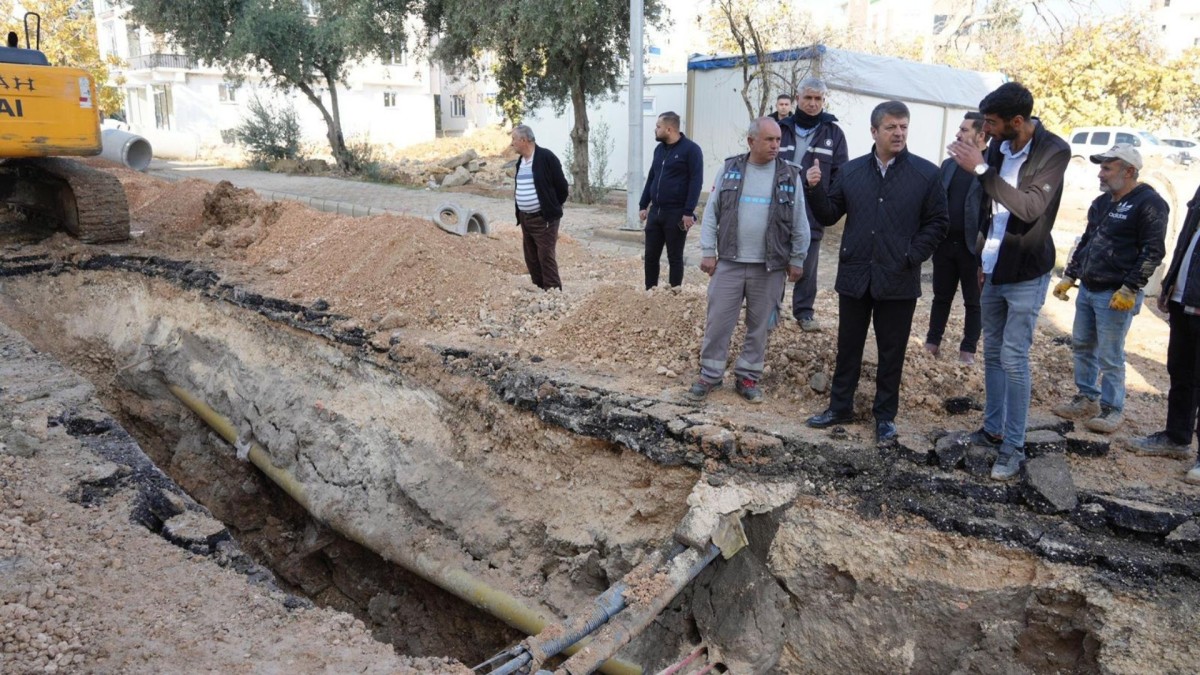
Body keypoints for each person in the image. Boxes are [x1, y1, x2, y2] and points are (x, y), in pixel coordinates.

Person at [804, 101, 949, 443]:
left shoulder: (926, 174)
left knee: (891, 351)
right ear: (874, 131)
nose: (898, 133)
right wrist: (814, 189)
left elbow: (938, 222)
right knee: (848, 346)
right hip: (855, 275)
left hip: (898, 277)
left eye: (903, 127)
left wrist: (911, 255)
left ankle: (884, 417)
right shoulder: (851, 172)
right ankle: (840, 407)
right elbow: (828, 215)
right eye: (891, 127)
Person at [947, 82, 1070, 481]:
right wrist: (983, 253)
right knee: (993, 354)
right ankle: (992, 428)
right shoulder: (1000, 147)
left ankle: (1014, 447)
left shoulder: (1054, 150)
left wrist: (979, 168)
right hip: (995, 266)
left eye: (994, 123)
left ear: (1018, 121)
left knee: (1015, 359)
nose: (989, 130)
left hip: (1026, 271)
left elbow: (1030, 207)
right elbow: (989, 206)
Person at [686, 117, 809, 404]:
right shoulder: (730, 169)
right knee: (718, 321)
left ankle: (748, 376)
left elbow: (799, 219)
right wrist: (707, 251)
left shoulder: (790, 175)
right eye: (769, 140)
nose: (776, 146)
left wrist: (798, 258)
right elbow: (712, 212)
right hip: (729, 262)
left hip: (770, 266)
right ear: (751, 141)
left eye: (778, 140)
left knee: (760, 325)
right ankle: (710, 374)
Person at [1051, 144, 1167, 434]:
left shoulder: (1149, 203)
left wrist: (1130, 288)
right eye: (1101, 167)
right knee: (1082, 345)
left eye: (1107, 168)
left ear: (1129, 171)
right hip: (1089, 288)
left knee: (1110, 355)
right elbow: (1088, 241)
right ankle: (1087, 397)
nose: (1100, 174)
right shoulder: (1102, 203)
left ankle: (1112, 409)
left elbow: (1153, 251)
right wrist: (1071, 275)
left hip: (1115, 294)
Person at [1130, 182, 1200, 485]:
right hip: (1184, 298)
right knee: (1181, 373)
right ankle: (1176, 438)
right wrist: (1170, 283)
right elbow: (1186, 239)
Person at [786, 78, 849, 333]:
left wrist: (827, 203)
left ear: (824, 101)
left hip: (812, 212)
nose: (813, 104)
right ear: (797, 99)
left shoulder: (833, 133)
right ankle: (769, 310)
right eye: (808, 98)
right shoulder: (781, 127)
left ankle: (804, 312)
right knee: (772, 261)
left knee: (806, 265)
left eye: (818, 99)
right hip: (779, 209)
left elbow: (840, 175)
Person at [925, 112, 988, 363]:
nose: (957, 134)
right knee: (941, 296)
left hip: (973, 248)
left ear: (981, 135)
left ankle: (968, 350)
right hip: (945, 244)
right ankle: (932, 342)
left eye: (964, 130)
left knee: (974, 301)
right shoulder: (949, 165)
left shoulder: (988, 167)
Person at [638, 111, 704, 289]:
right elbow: (652, 177)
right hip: (656, 212)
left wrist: (688, 211)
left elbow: (696, 182)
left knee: (674, 257)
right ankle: (650, 290)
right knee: (650, 256)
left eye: (658, 127)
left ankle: (674, 294)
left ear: (669, 129)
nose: (655, 130)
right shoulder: (659, 150)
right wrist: (643, 204)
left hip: (676, 214)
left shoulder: (691, 150)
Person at [510, 124, 569, 290]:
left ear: (524, 140)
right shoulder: (521, 162)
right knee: (531, 258)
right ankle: (539, 288)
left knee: (545, 256)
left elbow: (562, 188)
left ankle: (554, 292)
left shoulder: (546, 157)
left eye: (514, 139)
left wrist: (551, 208)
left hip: (544, 219)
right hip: (525, 218)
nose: (511, 143)